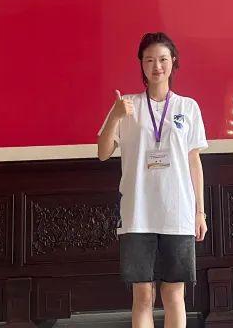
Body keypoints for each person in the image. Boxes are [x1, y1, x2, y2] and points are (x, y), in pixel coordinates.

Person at [97, 32, 208, 328]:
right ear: (141, 65)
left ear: (173, 62)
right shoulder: (127, 105)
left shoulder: (188, 107)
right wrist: (115, 117)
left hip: (178, 213)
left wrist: (199, 212)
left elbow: (194, 161)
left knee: (174, 293)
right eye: (149, 60)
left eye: (162, 59)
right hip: (138, 214)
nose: (156, 66)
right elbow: (103, 153)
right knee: (143, 295)